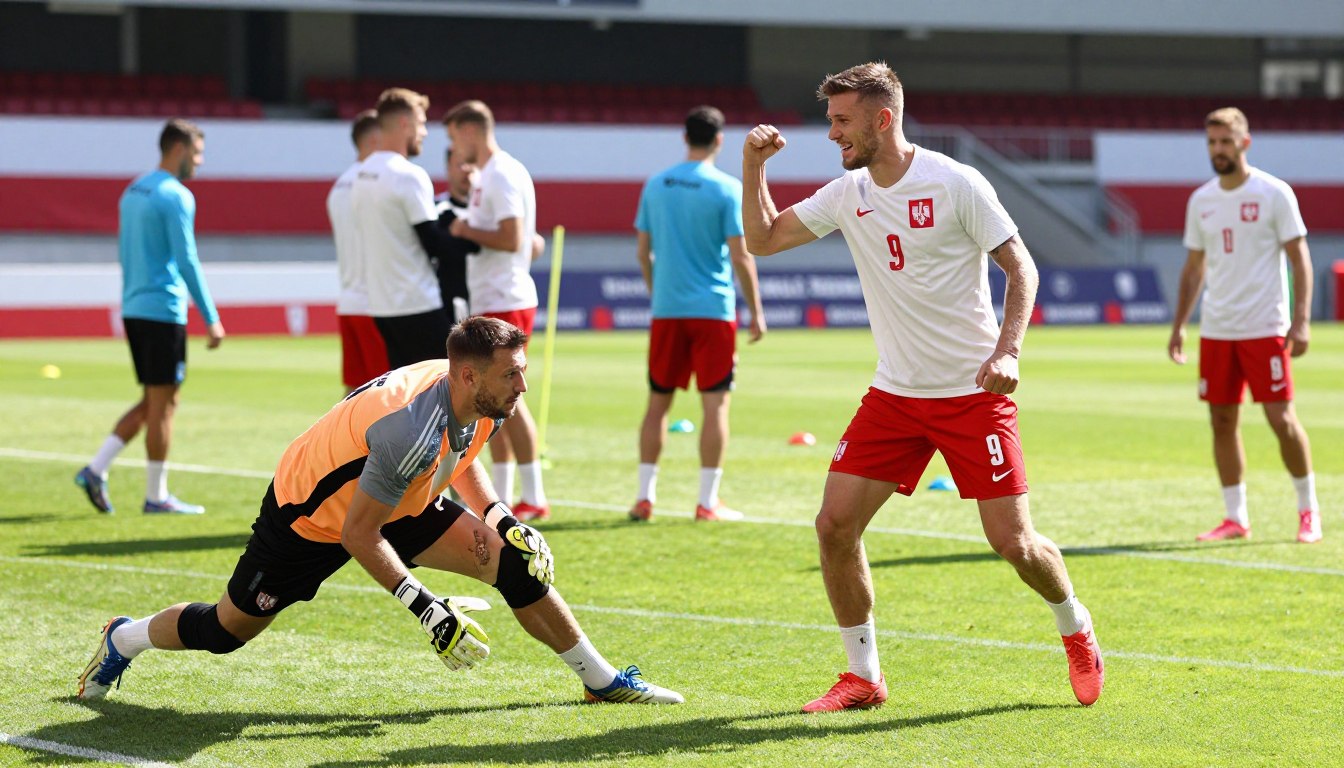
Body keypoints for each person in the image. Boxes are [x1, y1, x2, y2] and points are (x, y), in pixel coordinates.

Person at [77, 317, 683, 706]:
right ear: (471, 376)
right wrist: (427, 608)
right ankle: (123, 638)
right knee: (222, 633)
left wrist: (501, 520)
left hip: (398, 494)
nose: (522, 388)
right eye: (513, 376)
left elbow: (460, 452)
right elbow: (358, 532)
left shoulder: (473, 396)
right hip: (310, 517)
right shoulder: (412, 428)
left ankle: (600, 682)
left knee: (517, 566)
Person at [741, 62, 1103, 712]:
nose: (832, 134)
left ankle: (1074, 625)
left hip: (972, 396)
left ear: (883, 119)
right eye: (830, 121)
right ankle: (863, 676)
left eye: (842, 121)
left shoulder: (956, 182)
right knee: (833, 526)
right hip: (896, 397)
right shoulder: (848, 193)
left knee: (1014, 544)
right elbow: (763, 240)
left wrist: (1009, 351)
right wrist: (753, 167)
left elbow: (1021, 268)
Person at [1168, 107, 1321, 544]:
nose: (1218, 150)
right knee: (1221, 421)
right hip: (1217, 328)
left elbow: (1299, 257)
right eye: (1212, 143)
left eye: (1226, 141)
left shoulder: (1274, 193)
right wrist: (1180, 325)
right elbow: (1194, 267)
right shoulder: (1201, 200)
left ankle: (1308, 511)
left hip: (1266, 325)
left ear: (1245, 142)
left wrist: (1301, 320)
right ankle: (1236, 517)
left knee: (1280, 417)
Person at [74, 118, 226, 516]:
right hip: (162, 310)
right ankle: (156, 496)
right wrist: (210, 316)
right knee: (164, 404)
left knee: (154, 399)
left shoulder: (133, 190)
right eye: (196, 152)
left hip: (134, 307)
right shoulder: (175, 195)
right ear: (177, 149)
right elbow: (186, 258)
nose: (200, 161)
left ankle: (95, 469)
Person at [629, 105, 766, 523]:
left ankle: (644, 498)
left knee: (657, 406)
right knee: (715, 407)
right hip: (712, 310)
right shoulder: (725, 188)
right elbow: (742, 256)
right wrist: (757, 312)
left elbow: (642, 252)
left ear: (685, 136)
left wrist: (659, 294)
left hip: (668, 311)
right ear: (719, 140)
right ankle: (707, 502)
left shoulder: (655, 185)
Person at [444, 100, 549, 522]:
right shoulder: (492, 174)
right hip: (496, 293)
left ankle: (535, 493)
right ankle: (504, 494)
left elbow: (511, 236)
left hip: (505, 296)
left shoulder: (502, 172)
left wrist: (463, 227)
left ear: (470, 131)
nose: (454, 149)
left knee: (510, 395)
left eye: (454, 138)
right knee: (492, 398)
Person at [352, 88, 473, 369]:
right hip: (416, 302)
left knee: (407, 395)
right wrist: (475, 238)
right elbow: (433, 242)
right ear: (404, 124)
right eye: (421, 122)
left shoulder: (360, 175)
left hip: (381, 306)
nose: (425, 132)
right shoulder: (409, 175)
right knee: (456, 385)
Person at [328, 109, 390, 393]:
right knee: (385, 392)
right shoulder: (373, 184)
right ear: (375, 140)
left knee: (354, 392)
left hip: (349, 299)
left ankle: (341, 440)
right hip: (376, 303)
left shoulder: (339, 186)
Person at [432, 143, 481, 324]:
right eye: (460, 164)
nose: (467, 170)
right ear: (448, 169)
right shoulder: (434, 209)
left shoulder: (490, 211)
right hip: (446, 302)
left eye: (471, 163)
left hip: (488, 298)